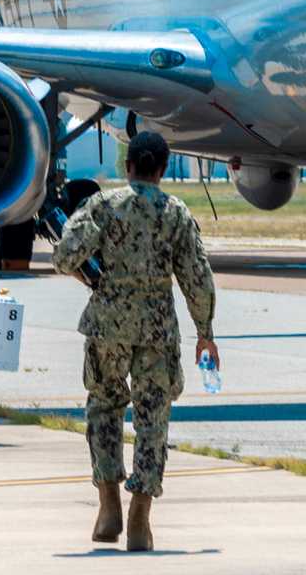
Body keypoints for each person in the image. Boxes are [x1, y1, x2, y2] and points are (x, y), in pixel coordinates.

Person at [52, 131, 217, 552]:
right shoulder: (176, 213)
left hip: (108, 325)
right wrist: (205, 334)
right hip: (157, 331)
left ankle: (108, 505)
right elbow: (197, 279)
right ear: (161, 170)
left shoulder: (104, 206)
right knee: (152, 419)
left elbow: (65, 255)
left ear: (128, 168)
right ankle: (140, 514)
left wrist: (90, 277)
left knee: (104, 410)